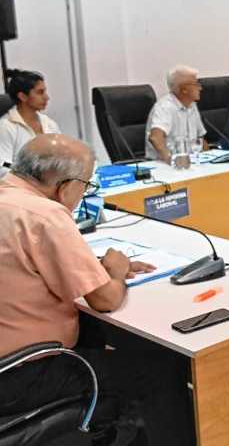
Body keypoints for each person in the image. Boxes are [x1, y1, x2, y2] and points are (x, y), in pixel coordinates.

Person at [0, 134, 194, 445]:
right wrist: (115, 272)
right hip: (21, 374)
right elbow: (105, 300)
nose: (84, 194)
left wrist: (92, 266)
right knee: (162, 368)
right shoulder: (45, 215)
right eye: (86, 185)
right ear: (65, 186)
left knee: (105, 337)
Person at [0, 69, 61, 171]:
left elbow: (63, 155)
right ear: (22, 96)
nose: (46, 97)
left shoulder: (49, 123)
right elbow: (3, 167)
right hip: (21, 184)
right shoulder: (5, 127)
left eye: (45, 92)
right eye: (40, 93)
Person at [145, 65, 208, 161]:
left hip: (192, 163)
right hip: (165, 166)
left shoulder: (192, 105)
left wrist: (209, 159)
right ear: (184, 89)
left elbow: (201, 139)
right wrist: (172, 161)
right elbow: (155, 138)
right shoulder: (164, 107)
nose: (200, 88)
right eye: (196, 84)